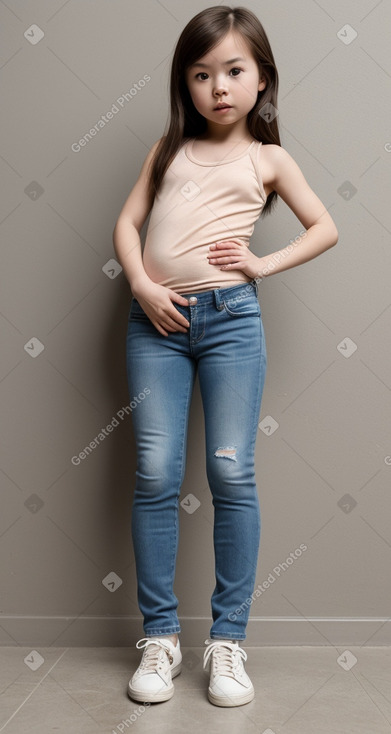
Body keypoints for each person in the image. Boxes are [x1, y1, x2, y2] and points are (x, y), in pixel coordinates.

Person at [112, 5, 338, 708]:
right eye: (202, 73)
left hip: (231, 321)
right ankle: (160, 636)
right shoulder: (167, 148)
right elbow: (126, 223)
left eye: (234, 71)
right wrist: (146, 286)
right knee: (154, 470)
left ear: (260, 77)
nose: (218, 87)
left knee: (229, 470)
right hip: (156, 323)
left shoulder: (268, 158)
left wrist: (261, 266)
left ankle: (228, 641)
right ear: (185, 82)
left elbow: (324, 226)